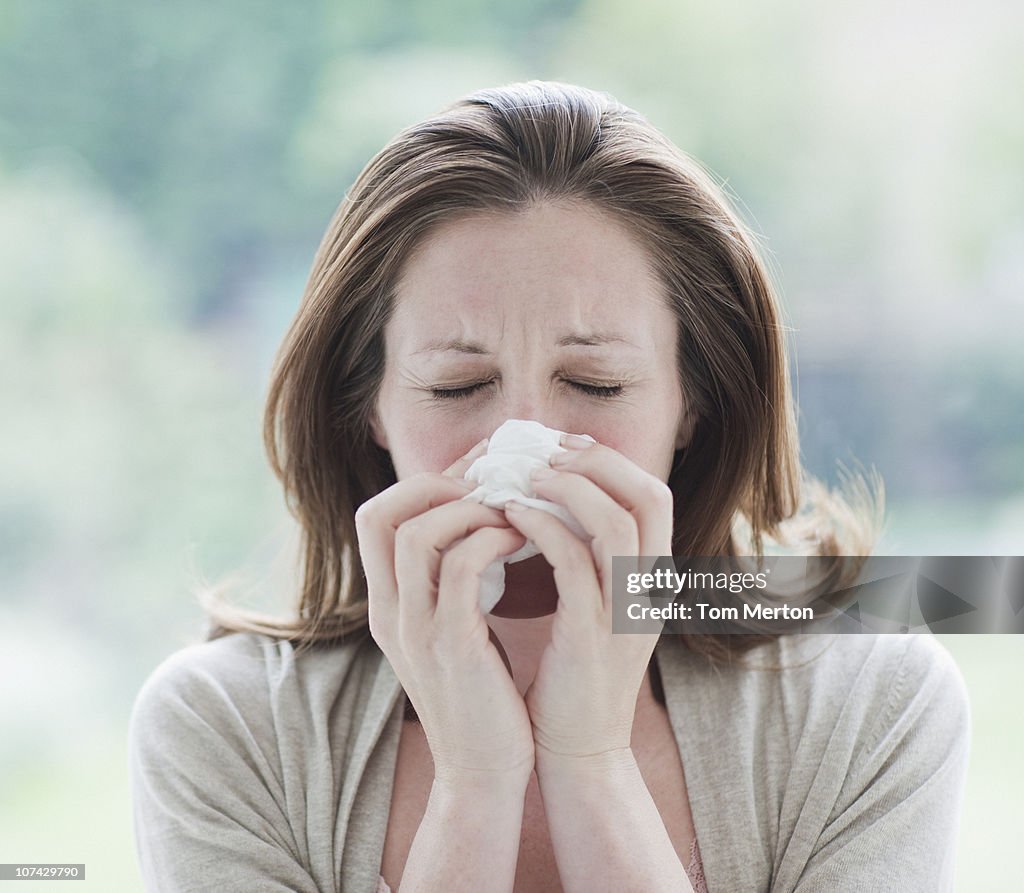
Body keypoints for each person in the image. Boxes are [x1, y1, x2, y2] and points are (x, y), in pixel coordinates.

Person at [128, 81, 970, 892]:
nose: (520, 445)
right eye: (457, 386)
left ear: (694, 402)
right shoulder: (223, 727)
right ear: (368, 408)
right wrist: (475, 782)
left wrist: (591, 761)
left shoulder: (869, 690)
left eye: (597, 384)